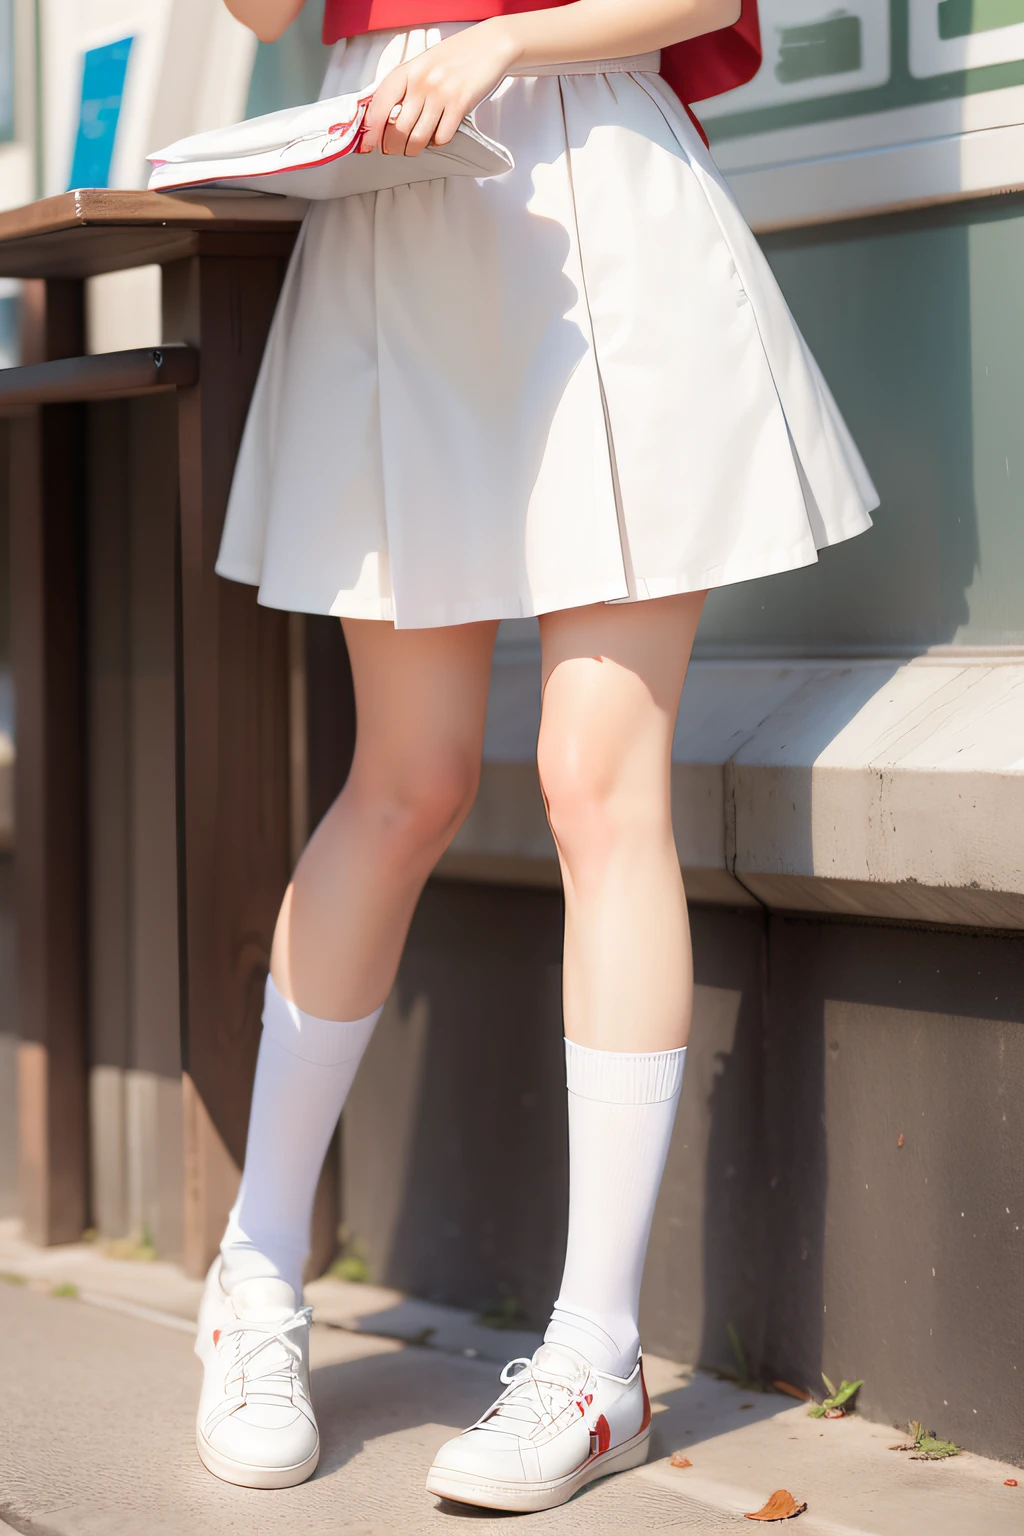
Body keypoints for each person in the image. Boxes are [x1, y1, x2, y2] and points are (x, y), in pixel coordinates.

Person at [195, 0, 877, 1510]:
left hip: (604, 187)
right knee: (407, 779)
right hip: (396, 191)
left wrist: (512, 43)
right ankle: (253, 1277)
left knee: (598, 779)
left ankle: (597, 1356)